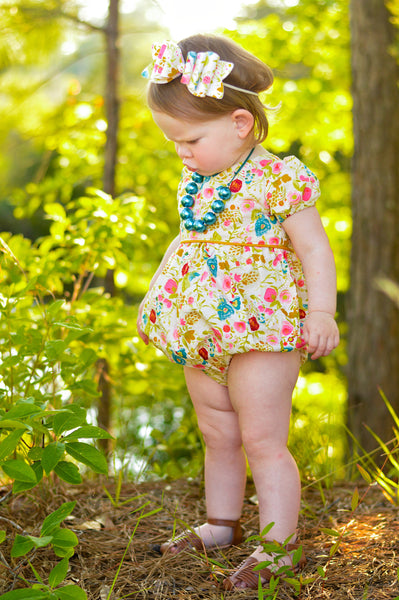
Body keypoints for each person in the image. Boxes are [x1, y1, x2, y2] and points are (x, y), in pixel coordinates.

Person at [137, 34, 339, 590]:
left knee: (262, 438)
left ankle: (279, 546)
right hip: (200, 327)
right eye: (173, 141)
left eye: (189, 139)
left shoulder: (278, 178)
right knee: (217, 431)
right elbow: (185, 241)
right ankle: (220, 524)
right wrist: (157, 296)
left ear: (239, 123)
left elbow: (315, 250)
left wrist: (321, 312)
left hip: (262, 329)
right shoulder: (198, 180)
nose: (181, 151)